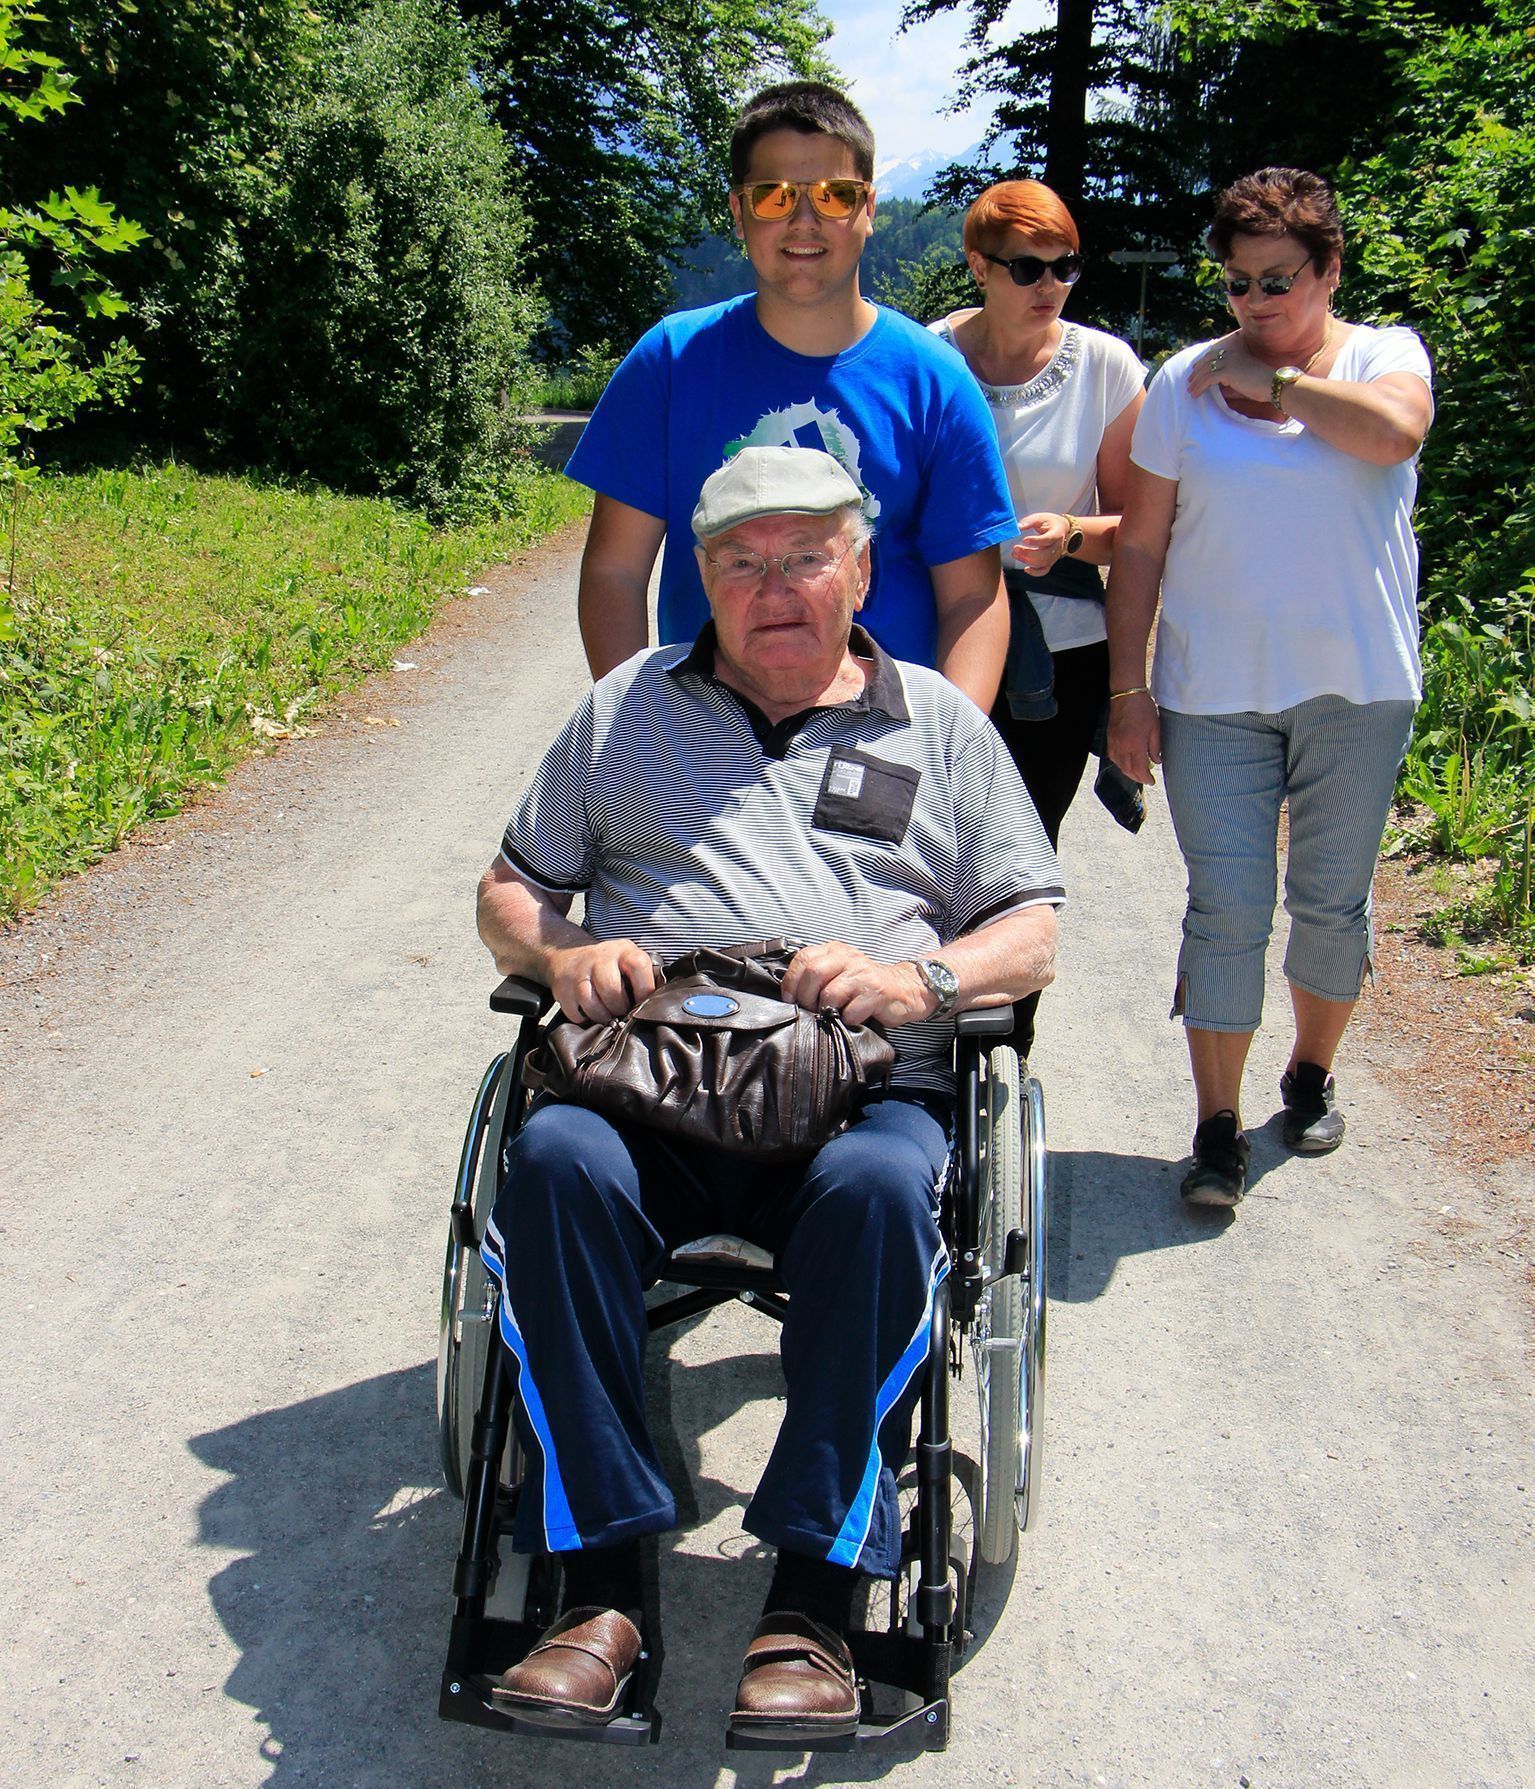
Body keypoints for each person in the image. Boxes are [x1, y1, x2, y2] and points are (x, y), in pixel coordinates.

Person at [476, 447, 1062, 1735]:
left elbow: (1028, 927)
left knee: (879, 1189)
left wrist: (922, 979)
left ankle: (814, 1591)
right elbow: (510, 890)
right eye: (741, 561)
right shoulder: (625, 708)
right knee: (556, 1162)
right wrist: (562, 952)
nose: (774, 585)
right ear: (703, 581)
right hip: (655, 1086)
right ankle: (598, 1584)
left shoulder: (938, 727)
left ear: (860, 569)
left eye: (805, 556)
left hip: (856, 1100)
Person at [1105, 167, 1434, 1207]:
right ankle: (1213, 1129)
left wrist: (1281, 388)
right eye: (1238, 283)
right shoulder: (1180, 383)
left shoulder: (1385, 356)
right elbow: (1143, 547)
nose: (1253, 304)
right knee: (1226, 908)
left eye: (1277, 280)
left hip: (1359, 685)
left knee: (1329, 905)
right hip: (1212, 694)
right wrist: (1127, 690)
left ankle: (1306, 1072)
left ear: (1328, 269)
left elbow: (1393, 434)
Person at [566, 80, 1017, 711]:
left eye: (834, 195)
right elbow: (615, 570)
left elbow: (973, 596)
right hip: (705, 747)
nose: (804, 221)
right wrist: (644, 728)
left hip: (882, 750)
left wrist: (946, 753)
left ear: (869, 208)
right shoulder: (670, 362)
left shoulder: (935, 382)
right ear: (738, 208)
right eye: (774, 196)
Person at [928, 178, 1146, 1054]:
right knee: (921, 843)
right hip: (937, 641)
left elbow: (1138, 527)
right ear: (979, 266)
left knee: (1019, 856)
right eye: (1027, 267)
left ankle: (998, 1053)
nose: (1049, 283)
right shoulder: (928, 354)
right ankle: (909, 1046)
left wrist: (1073, 531)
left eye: (1065, 266)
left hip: (1056, 664)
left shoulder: (1105, 366)